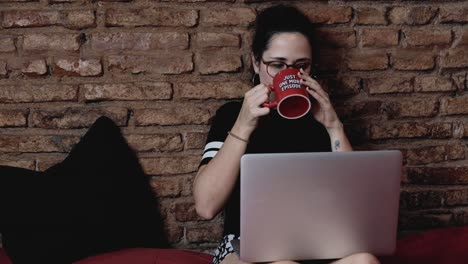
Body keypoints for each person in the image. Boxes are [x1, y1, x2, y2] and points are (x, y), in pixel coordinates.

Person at [193, 4, 380, 264]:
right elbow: (205, 206)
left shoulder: (321, 119)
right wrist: (243, 125)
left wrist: (333, 126)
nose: (288, 75)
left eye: (300, 66)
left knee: (365, 260)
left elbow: (355, 210)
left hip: (313, 245)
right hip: (245, 247)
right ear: (256, 62)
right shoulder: (231, 115)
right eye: (277, 65)